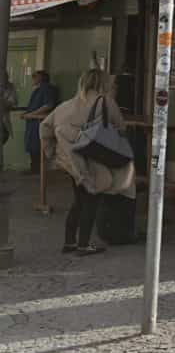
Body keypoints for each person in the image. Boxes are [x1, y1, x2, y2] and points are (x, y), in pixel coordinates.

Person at [40, 69, 136, 256]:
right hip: (95, 161)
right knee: (91, 200)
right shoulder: (106, 102)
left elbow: (44, 127)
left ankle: (69, 242)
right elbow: (122, 129)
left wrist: (52, 153)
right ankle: (83, 244)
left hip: (71, 163)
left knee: (78, 201)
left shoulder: (65, 106)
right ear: (103, 83)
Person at [23, 70, 58, 175]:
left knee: (37, 145)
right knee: (32, 146)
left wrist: (32, 114)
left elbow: (48, 105)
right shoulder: (37, 90)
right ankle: (34, 168)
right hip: (33, 121)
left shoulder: (46, 89)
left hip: (39, 121)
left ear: (42, 78)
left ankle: (37, 170)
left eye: (35, 76)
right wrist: (27, 113)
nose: (33, 78)